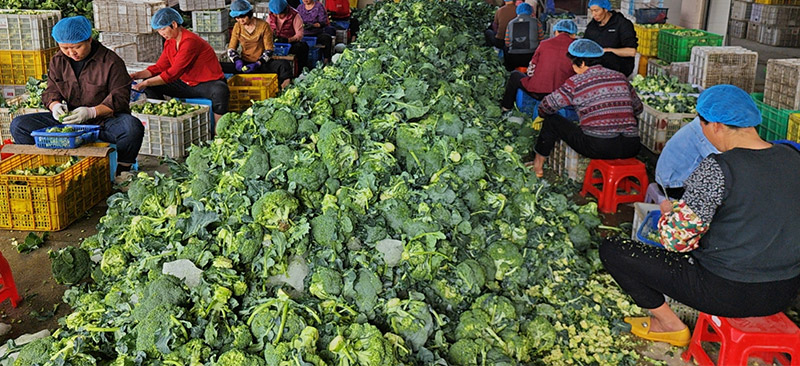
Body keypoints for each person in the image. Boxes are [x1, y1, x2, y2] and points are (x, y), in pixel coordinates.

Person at [599, 85, 800, 347]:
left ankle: (668, 324)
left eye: (701, 125)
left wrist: (669, 215)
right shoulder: (793, 156)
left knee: (613, 249)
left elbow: (676, 241)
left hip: (726, 292)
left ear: (715, 125)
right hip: (784, 292)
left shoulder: (718, 168)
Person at [10, 16, 143, 176]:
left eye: (77, 47)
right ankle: (47, 167)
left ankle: (122, 172)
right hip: (71, 121)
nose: (71, 53)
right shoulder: (58, 60)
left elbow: (120, 98)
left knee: (131, 128)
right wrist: (55, 106)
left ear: (89, 40)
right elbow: (51, 91)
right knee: (19, 125)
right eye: (64, 48)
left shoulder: (111, 62)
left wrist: (91, 112)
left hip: (104, 122)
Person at [529, 39, 641, 178]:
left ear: (582, 63)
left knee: (551, 120)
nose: (572, 67)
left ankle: (537, 167)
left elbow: (548, 105)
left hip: (599, 146)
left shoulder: (576, 82)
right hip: (632, 146)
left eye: (573, 64)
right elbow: (638, 108)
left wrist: (541, 114)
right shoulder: (620, 77)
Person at [130, 8, 229, 123]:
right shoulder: (170, 41)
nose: (161, 33)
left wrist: (145, 83)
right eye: (158, 30)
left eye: (163, 29)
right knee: (150, 83)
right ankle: (162, 118)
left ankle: (218, 132)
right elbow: (159, 67)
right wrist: (136, 75)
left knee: (220, 90)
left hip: (204, 83)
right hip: (186, 82)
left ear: (174, 24)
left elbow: (173, 73)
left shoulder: (190, 41)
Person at [501, 19, 576, 111]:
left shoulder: (544, 44)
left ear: (556, 31)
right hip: (562, 96)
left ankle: (505, 108)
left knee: (515, 75)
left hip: (539, 93)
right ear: (573, 34)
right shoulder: (577, 48)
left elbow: (531, 70)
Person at [224, 0, 293, 90]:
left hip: (262, 63)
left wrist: (258, 63)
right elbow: (231, 49)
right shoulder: (237, 27)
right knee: (220, 67)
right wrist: (237, 61)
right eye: (237, 18)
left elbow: (269, 50)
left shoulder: (263, 26)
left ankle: (283, 89)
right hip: (245, 63)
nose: (240, 20)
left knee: (284, 65)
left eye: (242, 17)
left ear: (249, 13)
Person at [654, 118, 719, 199]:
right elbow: (720, 161)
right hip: (674, 185)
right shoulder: (703, 132)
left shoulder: (701, 125)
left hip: (669, 179)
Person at [583, 0, 637, 77]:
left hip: (618, 70)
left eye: (596, 10)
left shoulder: (622, 24)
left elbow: (631, 52)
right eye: (591, 11)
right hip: (597, 70)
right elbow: (586, 44)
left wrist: (607, 50)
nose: (593, 14)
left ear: (605, 9)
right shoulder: (592, 25)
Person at [268, 0, 309, 72]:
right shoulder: (271, 15)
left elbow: (299, 34)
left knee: (302, 46)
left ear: (286, 9)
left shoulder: (294, 15)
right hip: (275, 44)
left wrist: (288, 40)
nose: (278, 16)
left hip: (290, 44)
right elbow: (266, 30)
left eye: (281, 14)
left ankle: (299, 72)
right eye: (276, 14)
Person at [502, 3, 544, 71]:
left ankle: (509, 71)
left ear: (517, 11)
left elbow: (507, 42)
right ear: (530, 11)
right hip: (531, 57)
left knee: (504, 48)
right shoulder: (536, 22)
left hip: (514, 58)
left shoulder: (510, 23)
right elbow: (542, 40)